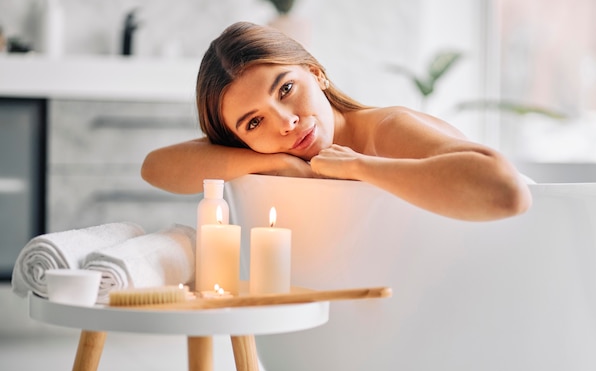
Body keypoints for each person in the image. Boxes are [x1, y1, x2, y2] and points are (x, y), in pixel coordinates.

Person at [141, 21, 531, 221]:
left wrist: (359, 167)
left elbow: (507, 192)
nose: (285, 123)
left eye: (286, 89)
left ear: (317, 73)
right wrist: (274, 162)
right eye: (253, 123)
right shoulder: (273, 152)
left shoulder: (387, 129)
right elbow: (155, 167)